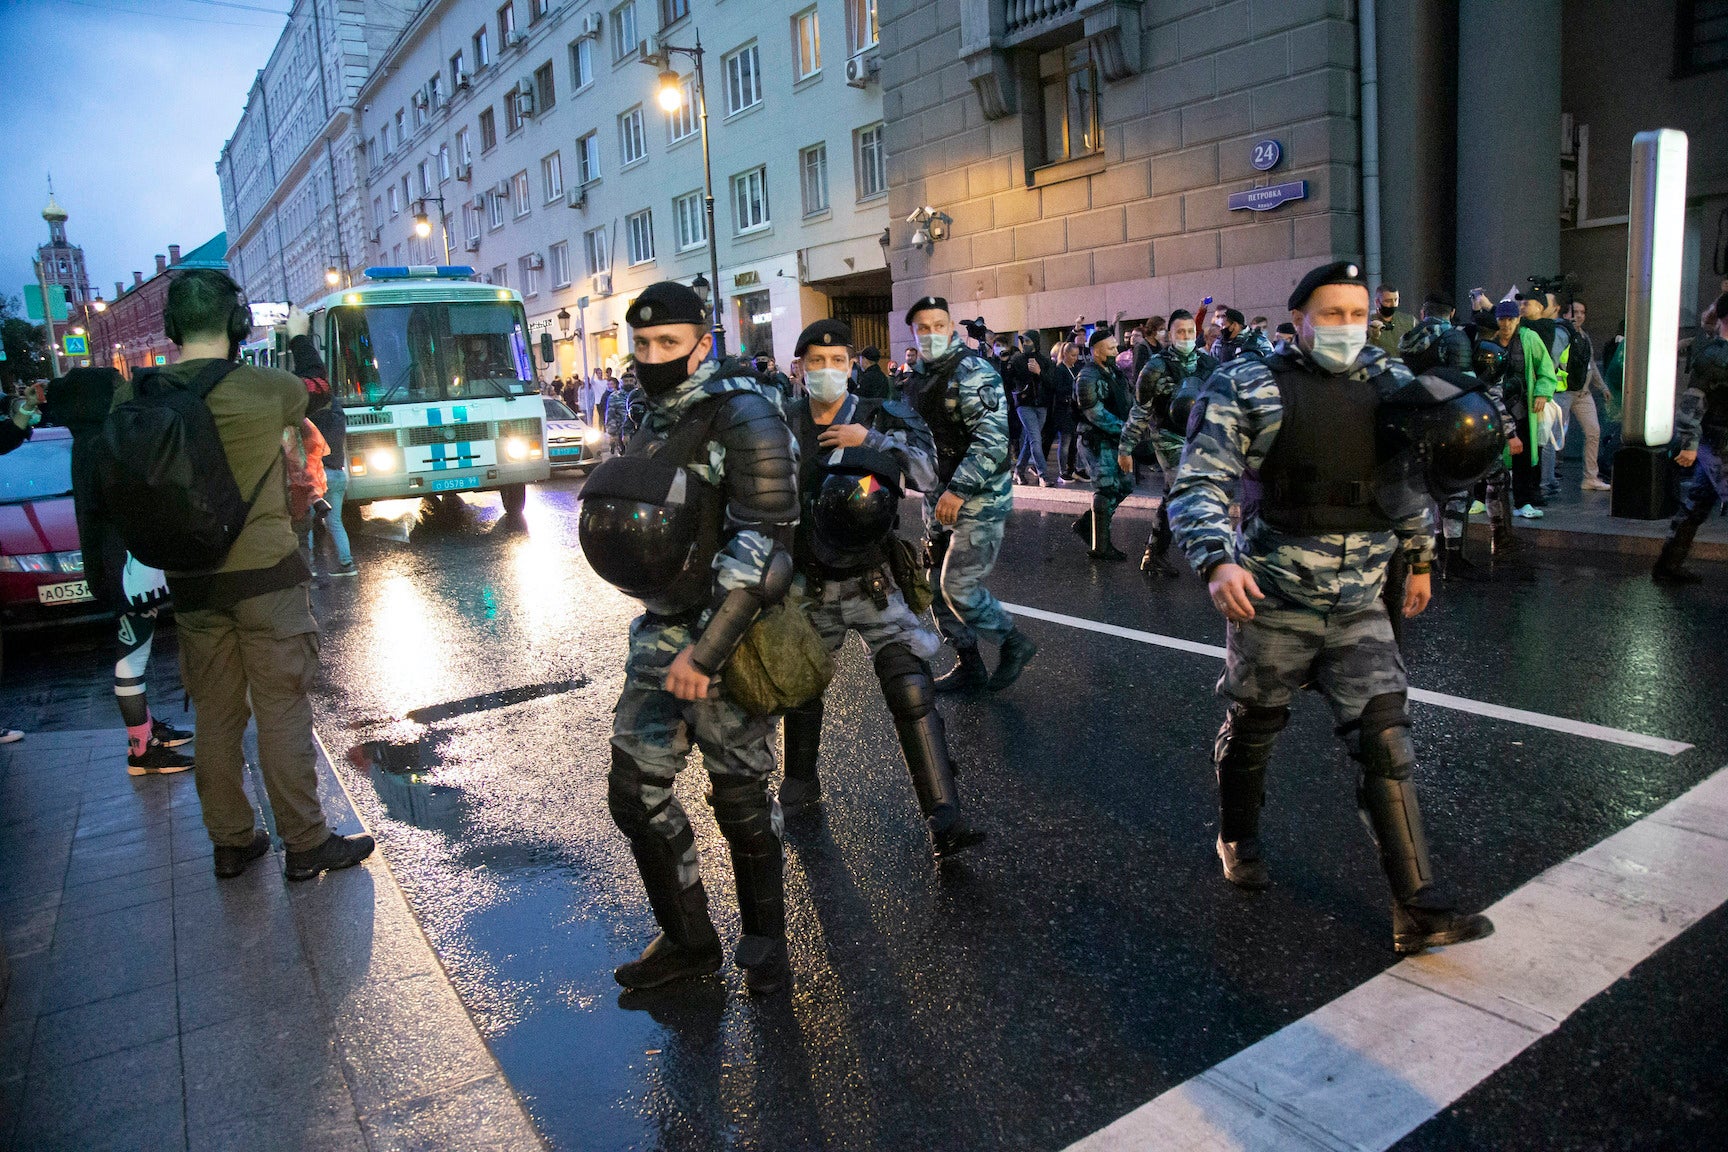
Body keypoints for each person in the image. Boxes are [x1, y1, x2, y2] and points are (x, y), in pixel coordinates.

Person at [1169, 260, 1494, 956]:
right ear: (1299, 320)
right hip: (1272, 598)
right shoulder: (1250, 385)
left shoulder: (1390, 386)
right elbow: (1199, 480)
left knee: (1386, 735)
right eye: (1332, 314)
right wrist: (1214, 559)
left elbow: (1407, 478)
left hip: (1360, 602)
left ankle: (1417, 907)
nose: (1349, 327)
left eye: (1358, 314)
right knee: (1255, 726)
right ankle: (1238, 835)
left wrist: (1421, 558)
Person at [113, 269, 374, 881]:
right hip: (266, 578)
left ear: (172, 328)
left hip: (191, 582)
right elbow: (321, 391)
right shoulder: (267, 388)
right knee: (281, 708)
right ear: (238, 325)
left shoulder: (137, 397)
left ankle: (231, 843)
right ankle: (306, 845)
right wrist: (304, 335)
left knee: (217, 715)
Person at [579, 281, 800, 994]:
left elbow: (763, 545)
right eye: (642, 345)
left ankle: (767, 943)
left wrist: (705, 654)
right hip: (658, 631)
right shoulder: (652, 414)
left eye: (667, 344)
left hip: (728, 638)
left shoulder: (745, 417)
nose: (652, 356)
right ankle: (689, 940)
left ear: (703, 343)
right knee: (633, 792)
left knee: (740, 800)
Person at [776, 319, 987, 858]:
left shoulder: (878, 414)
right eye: (815, 362)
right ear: (799, 367)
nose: (827, 371)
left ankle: (944, 816)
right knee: (801, 689)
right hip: (809, 582)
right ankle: (798, 787)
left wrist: (867, 440)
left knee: (909, 684)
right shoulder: (779, 424)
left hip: (873, 579)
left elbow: (924, 472)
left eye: (837, 361)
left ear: (852, 365)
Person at [44, 367, 196, 773]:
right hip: (126, 567)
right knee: (132, 658)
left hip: (114, 565)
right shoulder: (101, 445)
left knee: (135, 654)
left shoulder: (85, 442)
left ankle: (145, 730)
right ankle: (142, 749)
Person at [901, 296, 1038, 693]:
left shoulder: (972, 371)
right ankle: (968, 663)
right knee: (933, 581)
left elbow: (993, 442)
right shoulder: (919, 377)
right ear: (913, 333)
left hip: (978, 495)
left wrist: (958, 492)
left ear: (952, 330)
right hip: (938, 493)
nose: (930, 334)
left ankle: (1014, 643)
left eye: (938, 326)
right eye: (922, 328)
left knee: (957, 586)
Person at [1121, 309, 1218, 576]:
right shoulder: (1155, 366)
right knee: (1187, 492)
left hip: (1198, 435)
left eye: (1190, 332)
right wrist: (1126, 447)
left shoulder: (1208, 364)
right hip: (1167, 436)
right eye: (1180, 332)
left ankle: (1153, 554)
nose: (1186, 336)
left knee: (1171, 495)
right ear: (1170, 335)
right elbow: (1140, 410)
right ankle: (1208, 560)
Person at [1653, 291, 1728, 584]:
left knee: (1697, 503)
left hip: (1714, 444)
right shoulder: (1713, 356)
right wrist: (1690, 444)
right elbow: (1693, 401)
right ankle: (1667, 566)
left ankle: (1667, 566)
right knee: (1696, 503)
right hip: (1717, 444)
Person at [287, 311, 356, 578]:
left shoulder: (307, 422)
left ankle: (311, 569)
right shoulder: (338, 418)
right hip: (338, 473)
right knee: (335, 521)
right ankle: (347, 563)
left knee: (307, 523)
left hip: (316, 476)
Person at [1484, 299, 1558, 515]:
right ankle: (1482, 497)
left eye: (1510, 319)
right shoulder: (1489, 338)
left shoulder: (1529, 338)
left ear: (1518, 320)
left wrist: (1543, 392)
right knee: (1488, 453)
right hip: (1493, 404)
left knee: (1522, 454)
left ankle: (1523, 500)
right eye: (1502, 319)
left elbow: (1545, 367)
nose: (1506, 324)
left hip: (1520, 405)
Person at [1075, 329, 1135, 561]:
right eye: (1110, 348)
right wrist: (1127, 430)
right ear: (1097, 352)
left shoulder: (1115, 373)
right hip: (1096, 441)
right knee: (1106, 488)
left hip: (1116, 439)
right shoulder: (1087, 377)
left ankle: (1088, 525)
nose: (1116, 351)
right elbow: (1094, 413)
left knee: (1125, 485)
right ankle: (1101, 546)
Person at [1561, 299, 1611, 492]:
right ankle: (1546, 479)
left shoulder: (1585, 336)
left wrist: (1603, 387)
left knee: (1593, 432)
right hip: (1564, 392)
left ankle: (1591, 477)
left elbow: (1591, 364)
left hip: (1583, 393)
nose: (1579, 316)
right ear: (1566, 314)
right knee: (1556, 437)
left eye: (1582, 312)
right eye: (1575, 312)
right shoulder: (1562, 334)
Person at [1008, 330, 1057, 487]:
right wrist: (1005, 364)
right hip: (1024, 405)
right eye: (1024, 342)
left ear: (1036, 343)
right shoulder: (1017, 360)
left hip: (1041, 405)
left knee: (1031, 439)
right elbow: (1008, 380)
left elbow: (1051, 383)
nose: (1025, 345)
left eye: (1029, 342)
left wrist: (1039, 372)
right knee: (1035, 439)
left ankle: (1019, 471)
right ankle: (1043, 474)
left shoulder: (1044, 361)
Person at [1398, 294, 1473, 375]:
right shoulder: (1456, 337)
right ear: (1452, 312)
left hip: (1413, 386)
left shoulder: (1410, 336)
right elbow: (1463, 378)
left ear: (1423, 312)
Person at [1049, 341, 1085, 481]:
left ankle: (1074, 468)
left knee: (1076, 440)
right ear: (1065, 354)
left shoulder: (1076, 368)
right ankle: (1063, 470)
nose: (1075, 358)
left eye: (1076, 355)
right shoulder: (1060, 369)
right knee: (1065, 441)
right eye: (1072, 355)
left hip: (1075, 410)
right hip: (1064, 410)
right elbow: (1058, 390)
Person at [1367, 284, 1416, 359]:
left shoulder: (1409, 321)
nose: (1393, 304)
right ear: (1377, 302)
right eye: (1388, 301)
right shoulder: (1366, 324)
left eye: (1396, 300)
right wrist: (1374, 338)